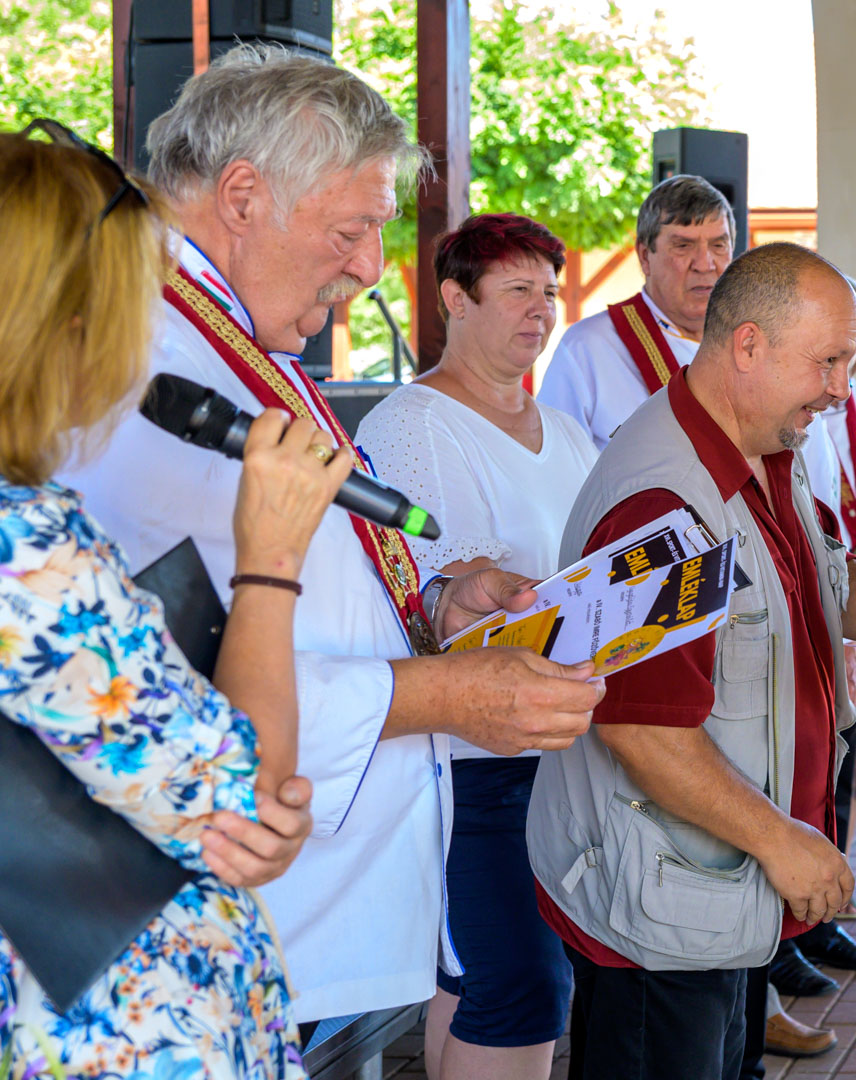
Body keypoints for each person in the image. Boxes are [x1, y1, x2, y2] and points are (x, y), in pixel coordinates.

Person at [62, 45, 602, 1031]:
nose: (368, 267)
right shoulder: (139, 363)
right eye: (351, 231)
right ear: (241, 195)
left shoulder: (231, 332)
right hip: (192, 923)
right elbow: (155, 684)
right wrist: (441, 693)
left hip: (282, 896)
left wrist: (431, 607)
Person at [0, 122, 349, 1078]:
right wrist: (270, 558)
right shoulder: (28, 550)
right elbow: (246, 803)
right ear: (64, 329)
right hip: (116, 1031)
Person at [527, 243, 856, 1080]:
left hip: (720, 887)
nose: (842, 390)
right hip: (663, 909)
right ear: (747, 346)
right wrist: (783, 841)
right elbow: (641, 730)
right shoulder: (663, 504)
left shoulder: (761, 446)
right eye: (828, 362)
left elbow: (820, 581)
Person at [355, 214, 597, 1080]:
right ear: (455, 299)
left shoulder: (566, 430)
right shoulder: (413, 424)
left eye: (549, 291)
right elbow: (436, 595)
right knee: (519, 983)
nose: (541, 310)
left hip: (558, 742)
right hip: (468, 755)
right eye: (518, 290)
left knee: (483, 982)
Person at [765, 278, 856, 1036]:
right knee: (789, 774)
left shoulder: (844, 406)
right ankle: (781, 942)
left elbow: (849, 514)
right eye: (835, 353)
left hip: (842, 607)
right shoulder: (785, 403)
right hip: (802, 621)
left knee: (832, 770)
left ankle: (817, 919)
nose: (844, 379)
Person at [539, 174, 734, 449]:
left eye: (718, 245)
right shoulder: (587, 348)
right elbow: (556, 463)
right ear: (644, 256)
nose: (704, 264)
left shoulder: (752, 343)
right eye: (683, 246)